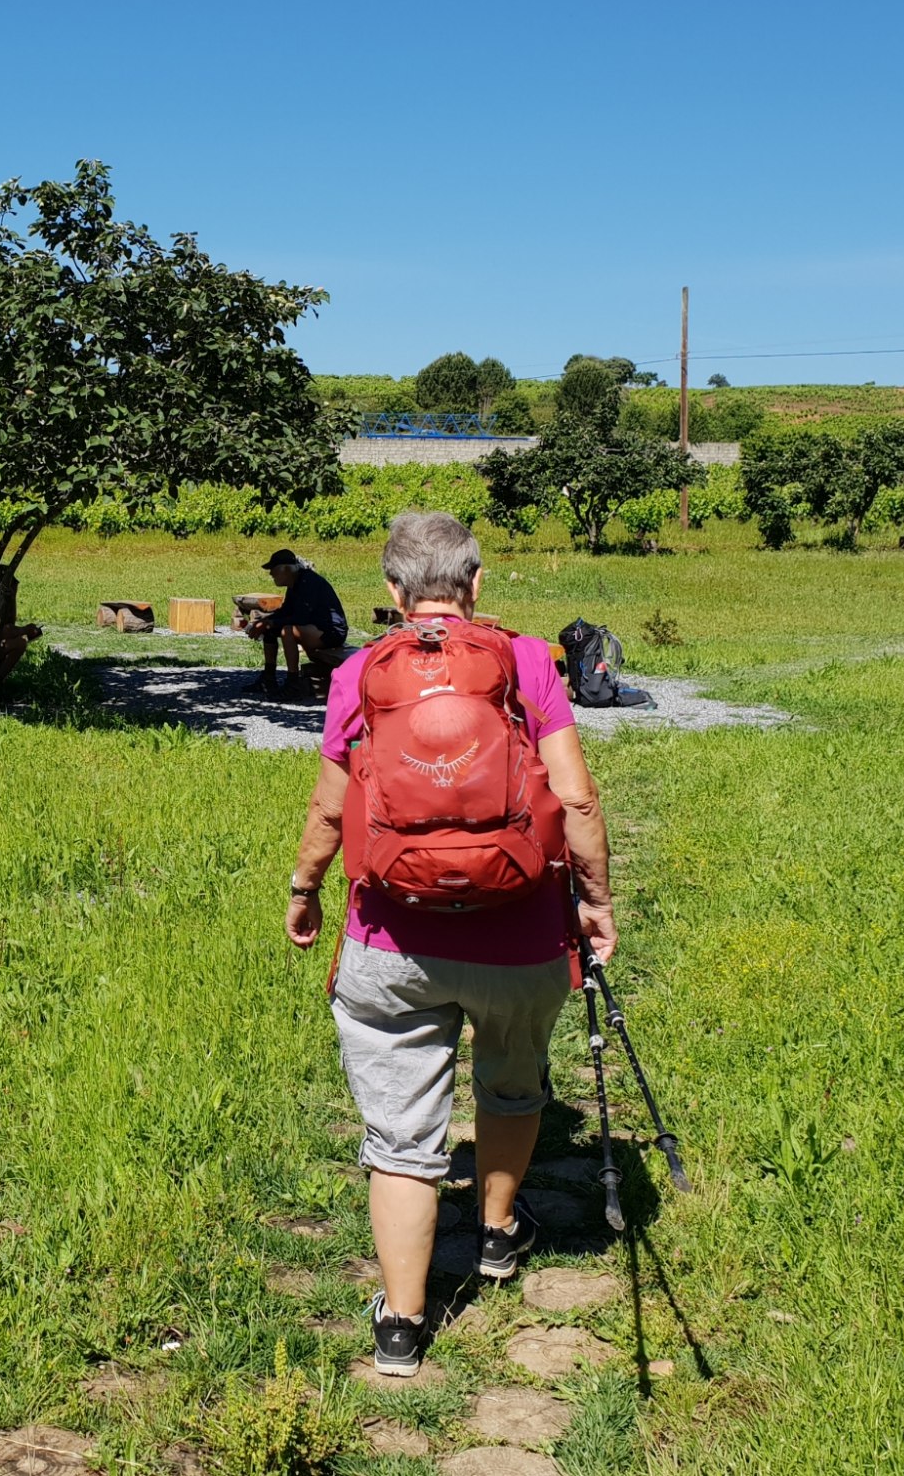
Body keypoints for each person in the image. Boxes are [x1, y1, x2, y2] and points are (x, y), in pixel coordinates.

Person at [283, 510, 616, 1378]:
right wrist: (596, 902)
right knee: (512, 1084)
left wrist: (304, 889)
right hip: (522, 934)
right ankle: (499, 1235)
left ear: (392, 594)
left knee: (400, 1136)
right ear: (477, 583)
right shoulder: (530, 661)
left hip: (390, 937)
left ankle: (400, 1324)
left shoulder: (358, 673)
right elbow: (575, 801)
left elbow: (328, 808)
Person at [244, 548, 347, 695]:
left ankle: (293, 684)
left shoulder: (308, 583)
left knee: (288, 631)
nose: (271, 574)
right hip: (315, 629)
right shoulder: (295, 583)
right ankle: (268, 678)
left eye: (273, 570)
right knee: (272, 629)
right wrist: (266, 622)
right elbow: (286, 611)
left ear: (285, 569)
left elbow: (300, 618)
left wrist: (269, 622)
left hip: (331, 632)